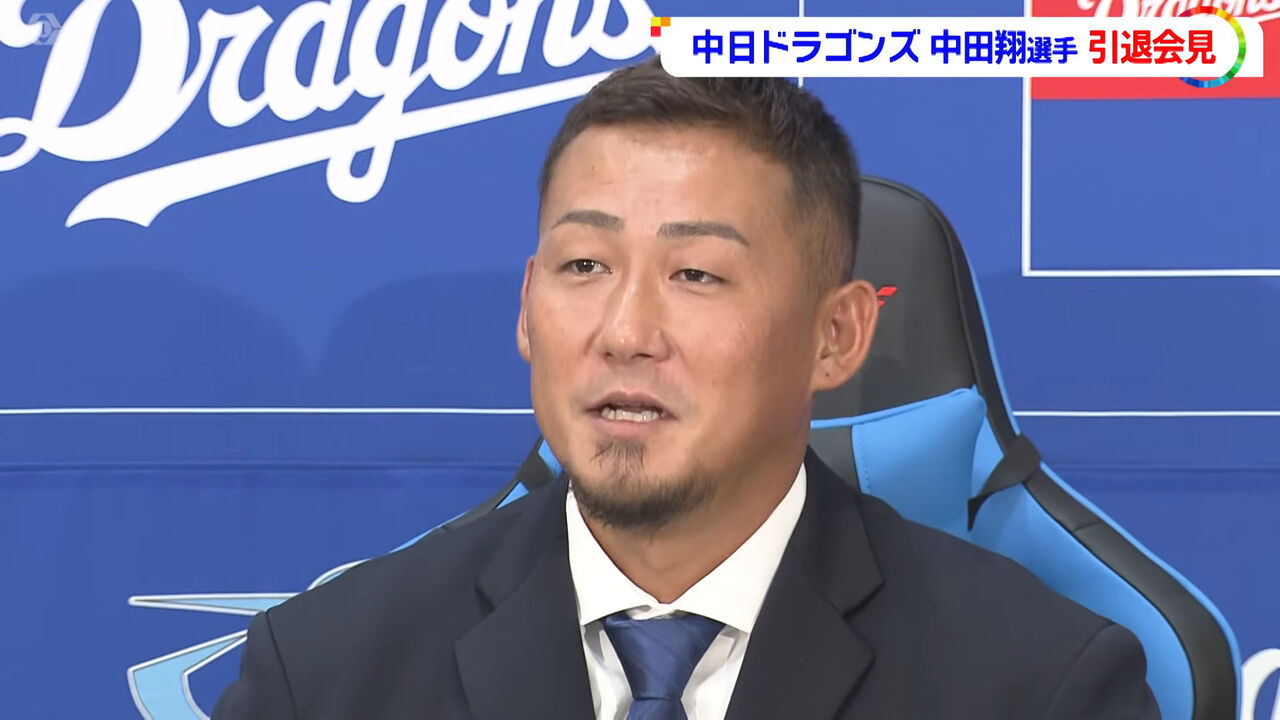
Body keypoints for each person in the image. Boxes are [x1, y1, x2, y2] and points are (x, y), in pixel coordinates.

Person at [212, 55, 1159, 720]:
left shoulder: (1036, 685)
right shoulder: (325, 674)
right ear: (527, 310)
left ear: (837, 336)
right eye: (584, 266)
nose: (625, 333)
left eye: (696, 274)